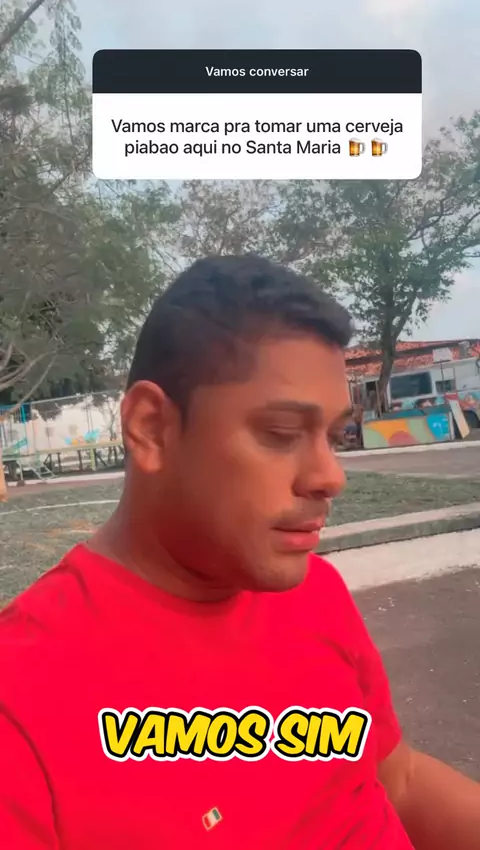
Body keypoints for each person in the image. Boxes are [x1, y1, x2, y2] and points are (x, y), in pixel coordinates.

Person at [0, 255, 479, 849]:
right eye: (281, 434)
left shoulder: (317, 590)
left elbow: (397, 781)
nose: (330, 476)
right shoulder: (22, 699)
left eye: (332, 436)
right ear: (151, 427)